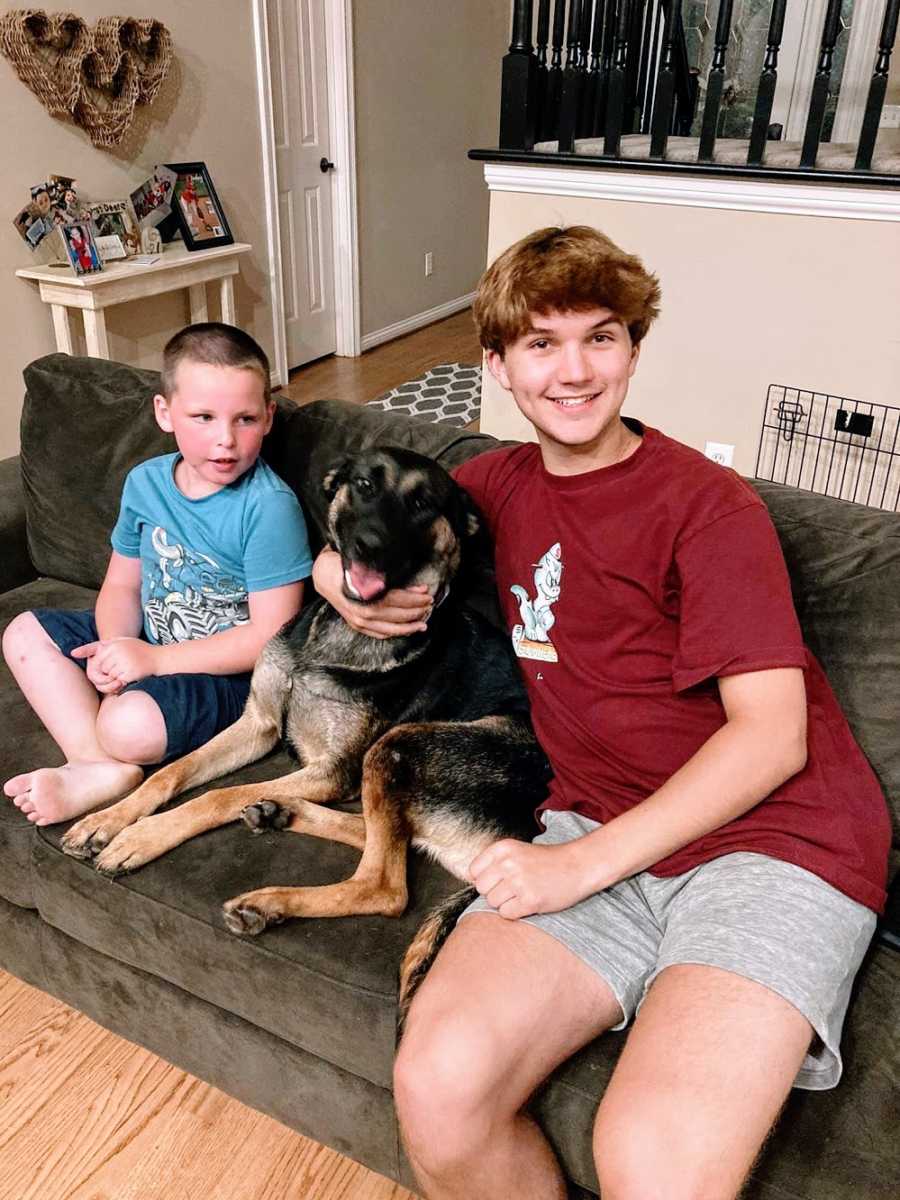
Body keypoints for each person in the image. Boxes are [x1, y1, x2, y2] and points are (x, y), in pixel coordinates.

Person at [312, 226, 891, 1199]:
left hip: (778, 845)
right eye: (541, 343)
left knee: (652, 1162)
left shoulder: (709, 510)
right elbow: (334, 500)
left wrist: (575, 863)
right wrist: (338, 576)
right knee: (438, 1084)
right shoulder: (485, 489)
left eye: (602, 337)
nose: (575, 371)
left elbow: (774, 735)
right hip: (599, 823)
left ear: (632, 348)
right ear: (494, 364)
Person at [3, 322, 313, 828]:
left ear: (269, 417)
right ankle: (95, 765)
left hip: (227, 677)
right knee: (23, 632)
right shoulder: (145, 483)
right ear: (164, 413)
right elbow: (123, 583)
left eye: (245, 419)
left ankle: (111, 752)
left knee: (128, 726)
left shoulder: (269, 508)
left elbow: (270, 638)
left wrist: (152, 660)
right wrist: (114, 649)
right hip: (148, 638)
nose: (225, 440)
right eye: (204, 417)